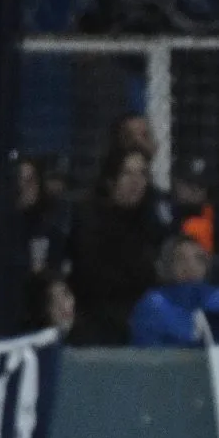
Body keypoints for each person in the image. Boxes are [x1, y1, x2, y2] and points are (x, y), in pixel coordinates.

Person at [67, 148, 170, 345]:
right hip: (101, 319)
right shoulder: (90, 221)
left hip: (147, 315)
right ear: (110, 180)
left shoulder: (154, 221)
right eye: (127, 173)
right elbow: (93, 281)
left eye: (142, 174)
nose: (136, 181)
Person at [129, 235, 219, 347]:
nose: (191, 266)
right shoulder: (153, 305)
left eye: (198, 259)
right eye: (181, 259)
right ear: (167, 265)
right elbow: (145, 352)